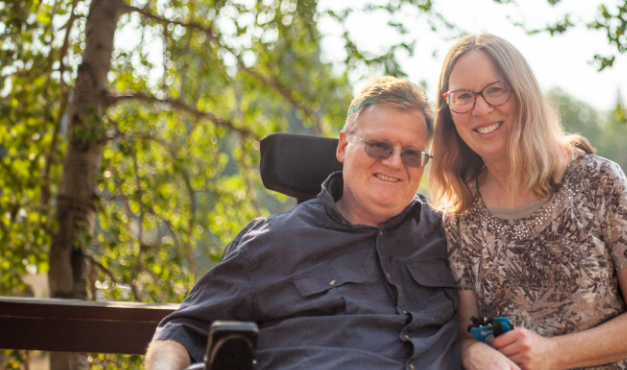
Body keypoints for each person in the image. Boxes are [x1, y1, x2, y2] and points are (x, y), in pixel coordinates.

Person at [145, 76, 461, 370]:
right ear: (343, 146)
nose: (394, 162)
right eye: (379, 145)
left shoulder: (451, 235)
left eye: (411, 154)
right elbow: (183, 331)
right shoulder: (271, 242)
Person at [428, 34, 627, 370]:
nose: (481, 108)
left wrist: (554, 352)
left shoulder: (597, 180)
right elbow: (467, 334)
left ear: (523, 93)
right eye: (463, 96)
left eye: (495, 89)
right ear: (449, 111)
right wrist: (475, 354)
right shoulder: (460, 216)